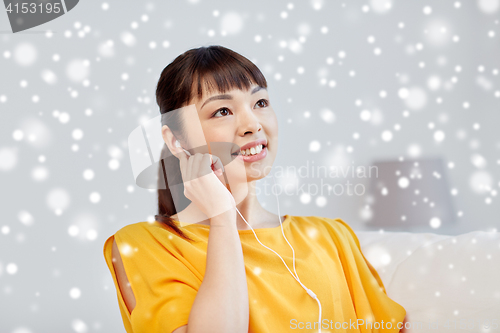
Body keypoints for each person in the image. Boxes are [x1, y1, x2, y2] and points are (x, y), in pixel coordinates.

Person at [103, 45, 407, 333]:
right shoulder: (145, 245)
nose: (252, 124)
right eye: (222, 111)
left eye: (260, 103)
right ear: (176, 141)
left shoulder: (332, 237)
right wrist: (223, 219)